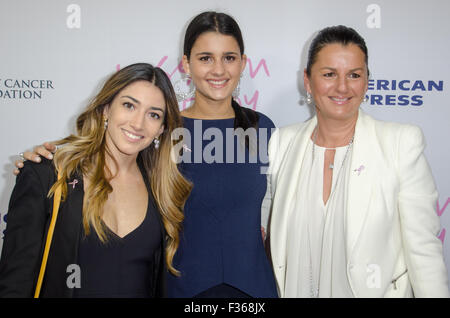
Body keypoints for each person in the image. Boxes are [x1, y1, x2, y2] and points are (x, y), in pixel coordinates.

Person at [12, 12, 278, 298]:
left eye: (229, 57)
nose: (218, 69)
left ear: (243, 63)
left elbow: (277, 213)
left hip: (252, 291)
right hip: (182, 288)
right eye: (205, 58)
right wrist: (47, 163)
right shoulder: (162, 130)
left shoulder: (262, 127)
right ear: (186, 64)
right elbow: (110, 162)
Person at [262, 25, 449, 297]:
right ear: (308, 81)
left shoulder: (400, 144)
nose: (342, 87)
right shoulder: (282, 143)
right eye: (329, 74)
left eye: (354, 75)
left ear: (367, 81)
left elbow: (424, 251)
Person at [0, 63, 191, 297]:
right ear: (106, 109)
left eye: (153, 115)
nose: (138, 123)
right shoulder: (48, 175)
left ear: (161, 129)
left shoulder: (163, 190)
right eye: (129, 105)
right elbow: (14, 284)